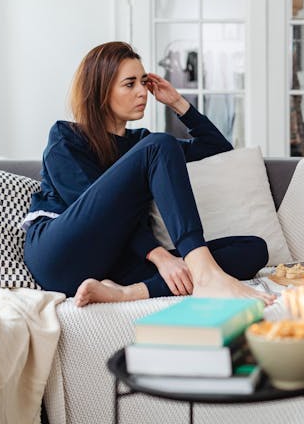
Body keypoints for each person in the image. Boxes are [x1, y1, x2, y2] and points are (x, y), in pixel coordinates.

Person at [23, 41, 274, 307]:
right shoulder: (66, 138)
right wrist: (160, 256)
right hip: (61, 254)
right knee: (160, 144)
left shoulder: (142, 144)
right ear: (100, 91)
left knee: (253, 249)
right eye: (130, 84)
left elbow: (218, 149)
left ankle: (126, 293)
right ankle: (204, 275)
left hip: (115, 259)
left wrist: (177, 102)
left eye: (144, 82)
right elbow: (95, 212)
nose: (142, 92)